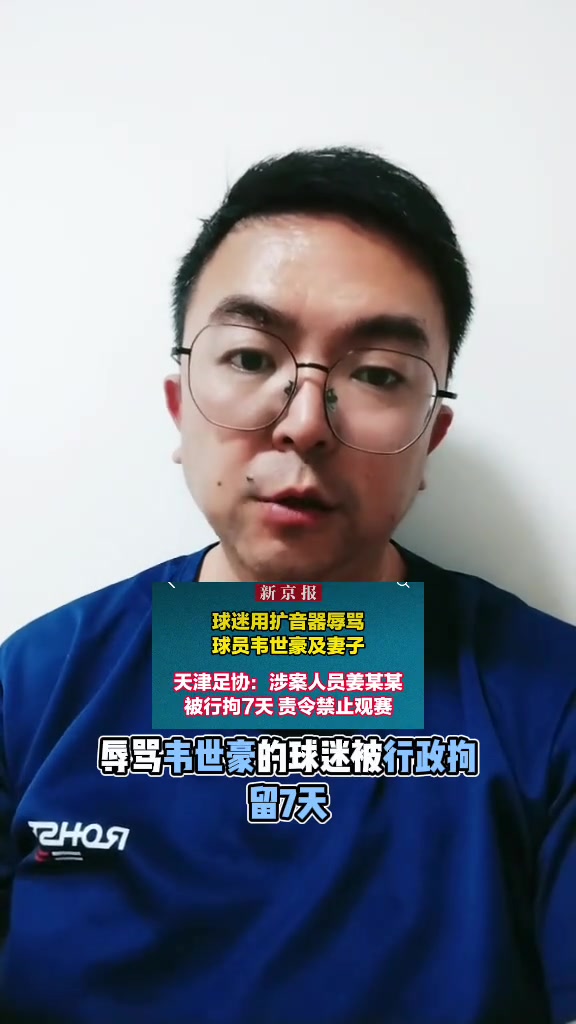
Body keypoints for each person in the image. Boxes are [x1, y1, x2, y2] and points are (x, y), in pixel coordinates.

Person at [0, 146, 574, 1024]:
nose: (304, 423)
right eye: (249, 356)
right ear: (178, 406)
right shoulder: (35, 688)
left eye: (375, 374)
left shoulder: (551, 704)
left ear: (430, 438)